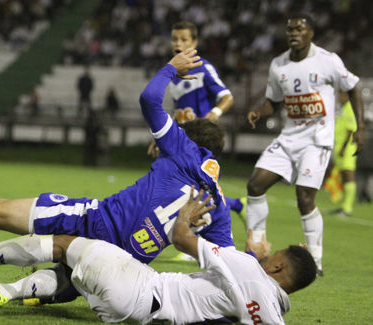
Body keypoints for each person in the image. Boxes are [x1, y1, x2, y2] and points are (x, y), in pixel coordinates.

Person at [0, 48, 235, 274]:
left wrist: (170, 67)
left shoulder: (184, 150)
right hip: (130, 266)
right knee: (65, 273)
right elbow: (231, 261)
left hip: (99, 221)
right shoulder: (216, 201)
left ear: (191, 139)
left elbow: (149, 100)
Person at [0, 188, 317, 324]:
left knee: (62, 243)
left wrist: (186, 214)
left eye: (276, 254)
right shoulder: (270, 311)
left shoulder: (248, 267)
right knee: (72, 269)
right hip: (132, 314)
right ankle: (4, 291)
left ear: (278, 265)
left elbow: (183, 240)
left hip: (142, 286)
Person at [245, 13, 364, 277]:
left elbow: (353, 87)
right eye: (290, 29)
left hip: (316, 141)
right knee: (255, 185)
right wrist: (258, 112)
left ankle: (316, 260)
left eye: (300, 28)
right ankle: (257, 250)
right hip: (289, 138)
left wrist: (361, 127)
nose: (294, 33)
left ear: (311, 32)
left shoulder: (327, 61)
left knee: (304, 197)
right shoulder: (279, 64)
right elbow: (274, 102)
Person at [148, 22, 244, 261]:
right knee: (184, 188)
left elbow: (227, 96)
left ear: (195, 43)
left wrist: (215, 114)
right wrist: (160, 136)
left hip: (202, 140)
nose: (178, 44)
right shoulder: (177, 73)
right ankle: (238, 206)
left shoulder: (203, 68)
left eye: (183, 39)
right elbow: (180, 110)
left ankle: (198, 243)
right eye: (175, 39)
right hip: (181, 139)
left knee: (200, 190)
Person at [328, 91, 358, 217]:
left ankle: (347, 208)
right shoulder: (343, 109)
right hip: (340, 146)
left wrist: (344, 147)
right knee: (343, 176)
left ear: (347, 96)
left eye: (341, 95)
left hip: (348, 148)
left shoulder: (350, 108)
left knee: (348, 175)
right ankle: (344, 206)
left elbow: (351, 130)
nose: (339, 98)